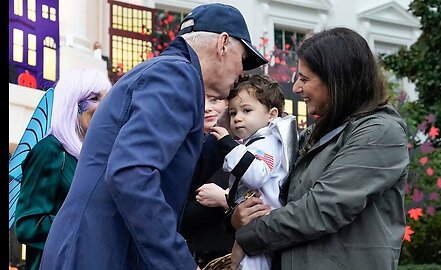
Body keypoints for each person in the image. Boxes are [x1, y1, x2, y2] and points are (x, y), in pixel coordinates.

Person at [40, 3, 267, 270]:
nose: (242, 73)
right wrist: (178, 262)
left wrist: (222, 141)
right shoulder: (176, 74)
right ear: (223, 44)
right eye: (243, 59)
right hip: (100, 252)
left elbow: (168, 176)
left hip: (93, 249)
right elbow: (131, 173)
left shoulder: (166, 72)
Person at [229, 27, 410, 270]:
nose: (295, 88)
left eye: (304, 78)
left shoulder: (380, 132)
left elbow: (321, 209)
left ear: (337, 80)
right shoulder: (314, 134)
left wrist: (249, 236)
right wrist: (238, 216)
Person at [13, 68, 112, 270]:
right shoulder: (51, 150)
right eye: (94, 98)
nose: (104, 106)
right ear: (73, 103)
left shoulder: (91, 157)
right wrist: (89, 226)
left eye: (107, 99)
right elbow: (28, 225)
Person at [209, 74, 298, 270]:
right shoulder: (255, 142)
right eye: (232, 113)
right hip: (255, 224)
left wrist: (227, 144)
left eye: (247, 110)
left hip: (264, 224)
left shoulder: (268, 143)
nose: (237, 118)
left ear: (271, 114)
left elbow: (256, 174)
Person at [179, 94, 234, 268]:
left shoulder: (261, 147)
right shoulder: (184, 150)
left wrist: (226, 199)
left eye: (214, 100)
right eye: (199, 101)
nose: (206, 108)